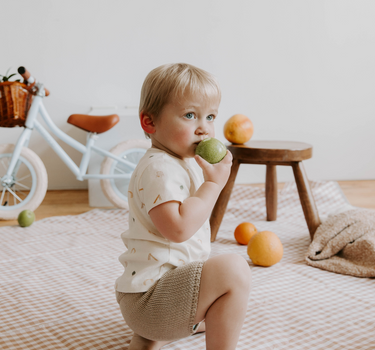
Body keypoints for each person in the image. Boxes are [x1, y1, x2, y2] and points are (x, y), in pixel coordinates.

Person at [115, 63, 251, 350]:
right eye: (190, 115)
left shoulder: (177, 162)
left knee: (220, 290)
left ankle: (151, 336)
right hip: (150, 302)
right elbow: (178, 229)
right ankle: (163, 329)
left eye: (210, 116)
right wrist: (213, 185)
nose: (204, 128)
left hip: (153, 303)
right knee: (234, 270)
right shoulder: (160, 168)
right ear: (150, 123)